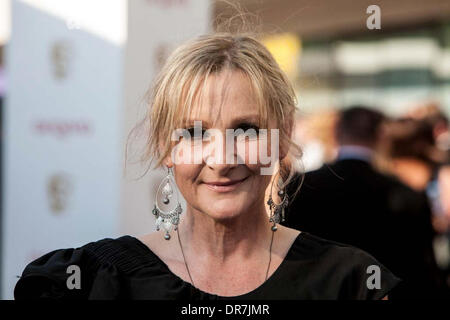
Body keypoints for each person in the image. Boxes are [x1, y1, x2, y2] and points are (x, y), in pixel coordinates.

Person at [14, 34, 399, 300]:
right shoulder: (93, 281)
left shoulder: (348, 283)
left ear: (281, 139)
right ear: (167, 146)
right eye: (195, 133)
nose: (221, 158)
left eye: (246, 129)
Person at [283, 106, 443, 299]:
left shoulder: (301, 188)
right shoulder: (406, 194)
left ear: (337, 133)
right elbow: (422, 267)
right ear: (381, 138)